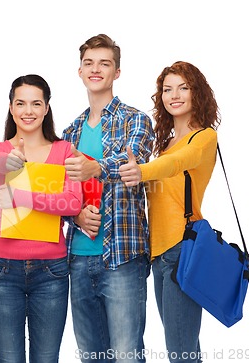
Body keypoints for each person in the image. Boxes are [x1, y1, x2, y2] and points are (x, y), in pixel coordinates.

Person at [62, 34, 154, 363]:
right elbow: (58, 193)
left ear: (117, 72)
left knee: (128, 356)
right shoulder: (70, 132)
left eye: (104, 63)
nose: (95, 69)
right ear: (80, 71)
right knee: (92, 357)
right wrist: (73, 217)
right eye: (89, 63)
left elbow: (135, 163)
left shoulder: (136, 120)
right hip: (78, 258)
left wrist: (95, 167)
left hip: (123, 258)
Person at [119, 61, 220, 363]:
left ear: (196, 93)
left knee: (180, 351)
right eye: (167, 89)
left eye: (183, 87)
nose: (174, 95)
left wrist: (143, 171)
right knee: (183, 348)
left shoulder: (203, 138)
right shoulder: (163, 145)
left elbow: (178, 162)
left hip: (182, 250)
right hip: (159, 254)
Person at [0, 74, 83, 363]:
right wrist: (11, 162)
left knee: (46, 358)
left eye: (36, 103)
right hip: (2, 269)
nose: (28, 111)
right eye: (21, 103)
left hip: (51, 270)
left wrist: (22, 198)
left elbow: (72, 203)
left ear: (46, 108)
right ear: (11, 108)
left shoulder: (65, 150)